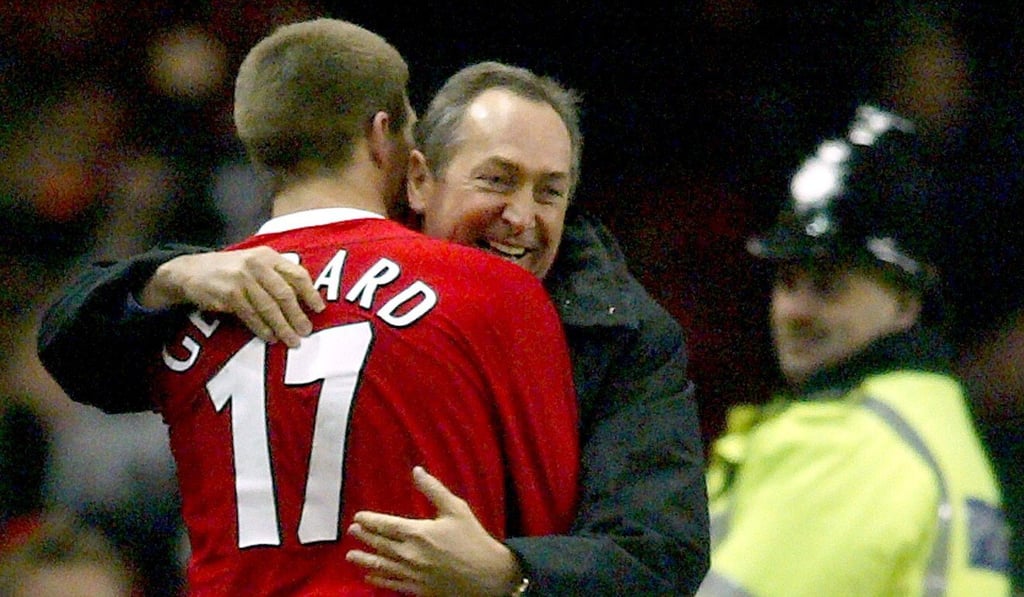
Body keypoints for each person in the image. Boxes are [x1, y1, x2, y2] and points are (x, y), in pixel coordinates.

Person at [37, 62, 710, 594]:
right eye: (496, 180)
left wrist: (511, 573)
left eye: (549, 191)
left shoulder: (623, 335)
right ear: (419, 179)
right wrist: (172, 277)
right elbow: (71, 349)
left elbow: (660, 553)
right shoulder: (298, 274)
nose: (521, 216)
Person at [697, 104, 1009, 596]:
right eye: (787, 280)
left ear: (905, 302)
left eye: (826, 286)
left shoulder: (850, 442)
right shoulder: (927, 420)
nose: (794, 309)